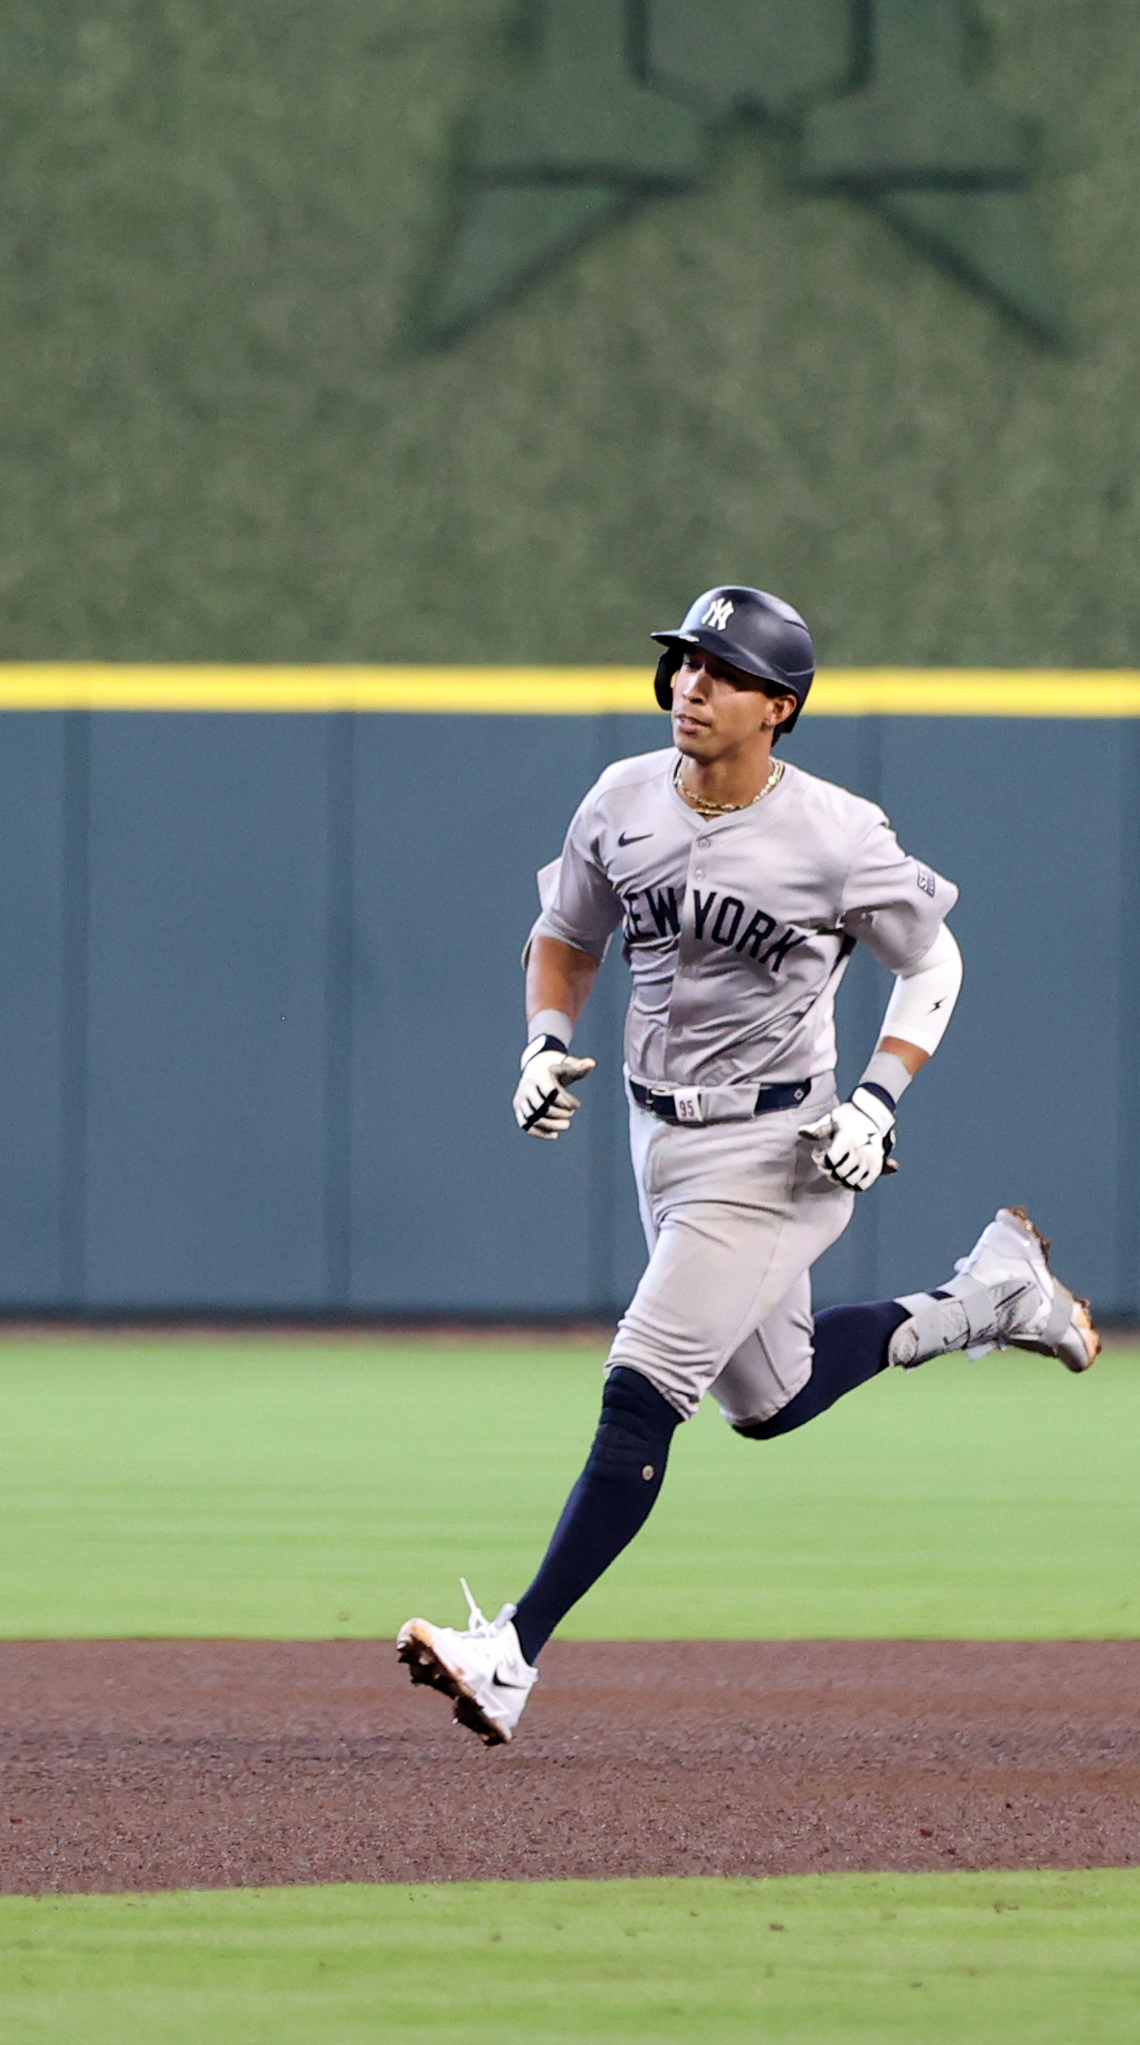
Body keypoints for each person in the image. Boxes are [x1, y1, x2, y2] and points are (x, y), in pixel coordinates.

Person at [393, 584, 1098, 1747]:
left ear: (776, 706)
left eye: (718, 672)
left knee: (643, 1385)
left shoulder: (836, 832)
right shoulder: (619, 798)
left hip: (776, 1147)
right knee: (768, 1399)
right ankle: (990, 1294)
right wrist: (541, 1041)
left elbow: (934, 962)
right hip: (655, 1134)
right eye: (681, 663)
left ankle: (510, 1654)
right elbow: (568, 938)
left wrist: (877, 1098)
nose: (688, 686)